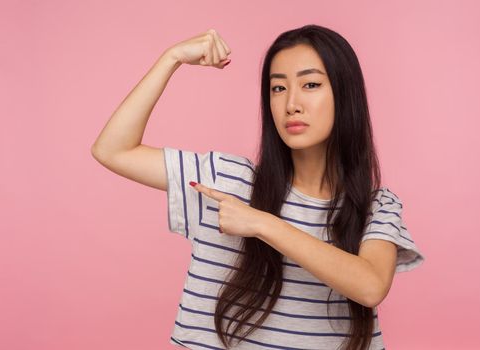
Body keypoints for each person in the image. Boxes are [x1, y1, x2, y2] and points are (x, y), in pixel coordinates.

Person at [91, 24, 425, 350]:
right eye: (278, 88)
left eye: (310, 84)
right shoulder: (229, 181)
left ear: (345, 95)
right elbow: (112, 150)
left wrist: (261, 223)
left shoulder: (377, 205)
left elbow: (370, 286)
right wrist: (172, 58)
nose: (291, 103)